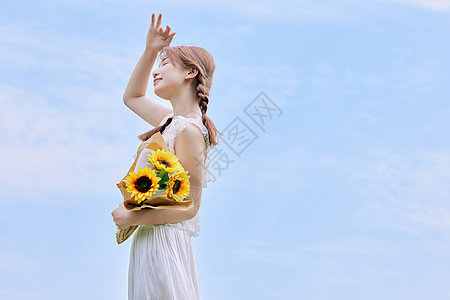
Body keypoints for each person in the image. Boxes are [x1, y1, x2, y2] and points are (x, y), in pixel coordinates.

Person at [111, 13, 221, 300]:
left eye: (164, 64)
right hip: (150, 239)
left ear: (190, 72)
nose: (156, 72)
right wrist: (151, 51)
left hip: (165, 241)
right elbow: (132, 97)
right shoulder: (172, 121)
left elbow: (191, 207)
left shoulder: (190, 131)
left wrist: (132, 215)